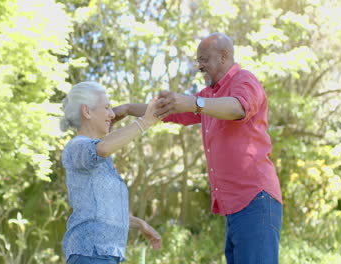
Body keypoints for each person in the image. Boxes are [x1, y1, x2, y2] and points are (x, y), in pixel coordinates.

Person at [113, 33, 283, 264]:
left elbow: (237, 108)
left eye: (204, 59)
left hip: (255, 198)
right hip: (235, 206)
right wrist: (126, 109)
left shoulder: (245, 80)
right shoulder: (209, 95)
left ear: (224, 56)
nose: (199, 66)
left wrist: (194, 103)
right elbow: (168, 111)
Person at [60, 81, 162, 264]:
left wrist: (141, 225)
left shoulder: (98, 157)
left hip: (104, 255)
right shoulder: (76, 147)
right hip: (90, 253)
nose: (112, 114)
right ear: (87, 111)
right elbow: (104, 147)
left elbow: (101, 211)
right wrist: (144, 122)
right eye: (106, 107)